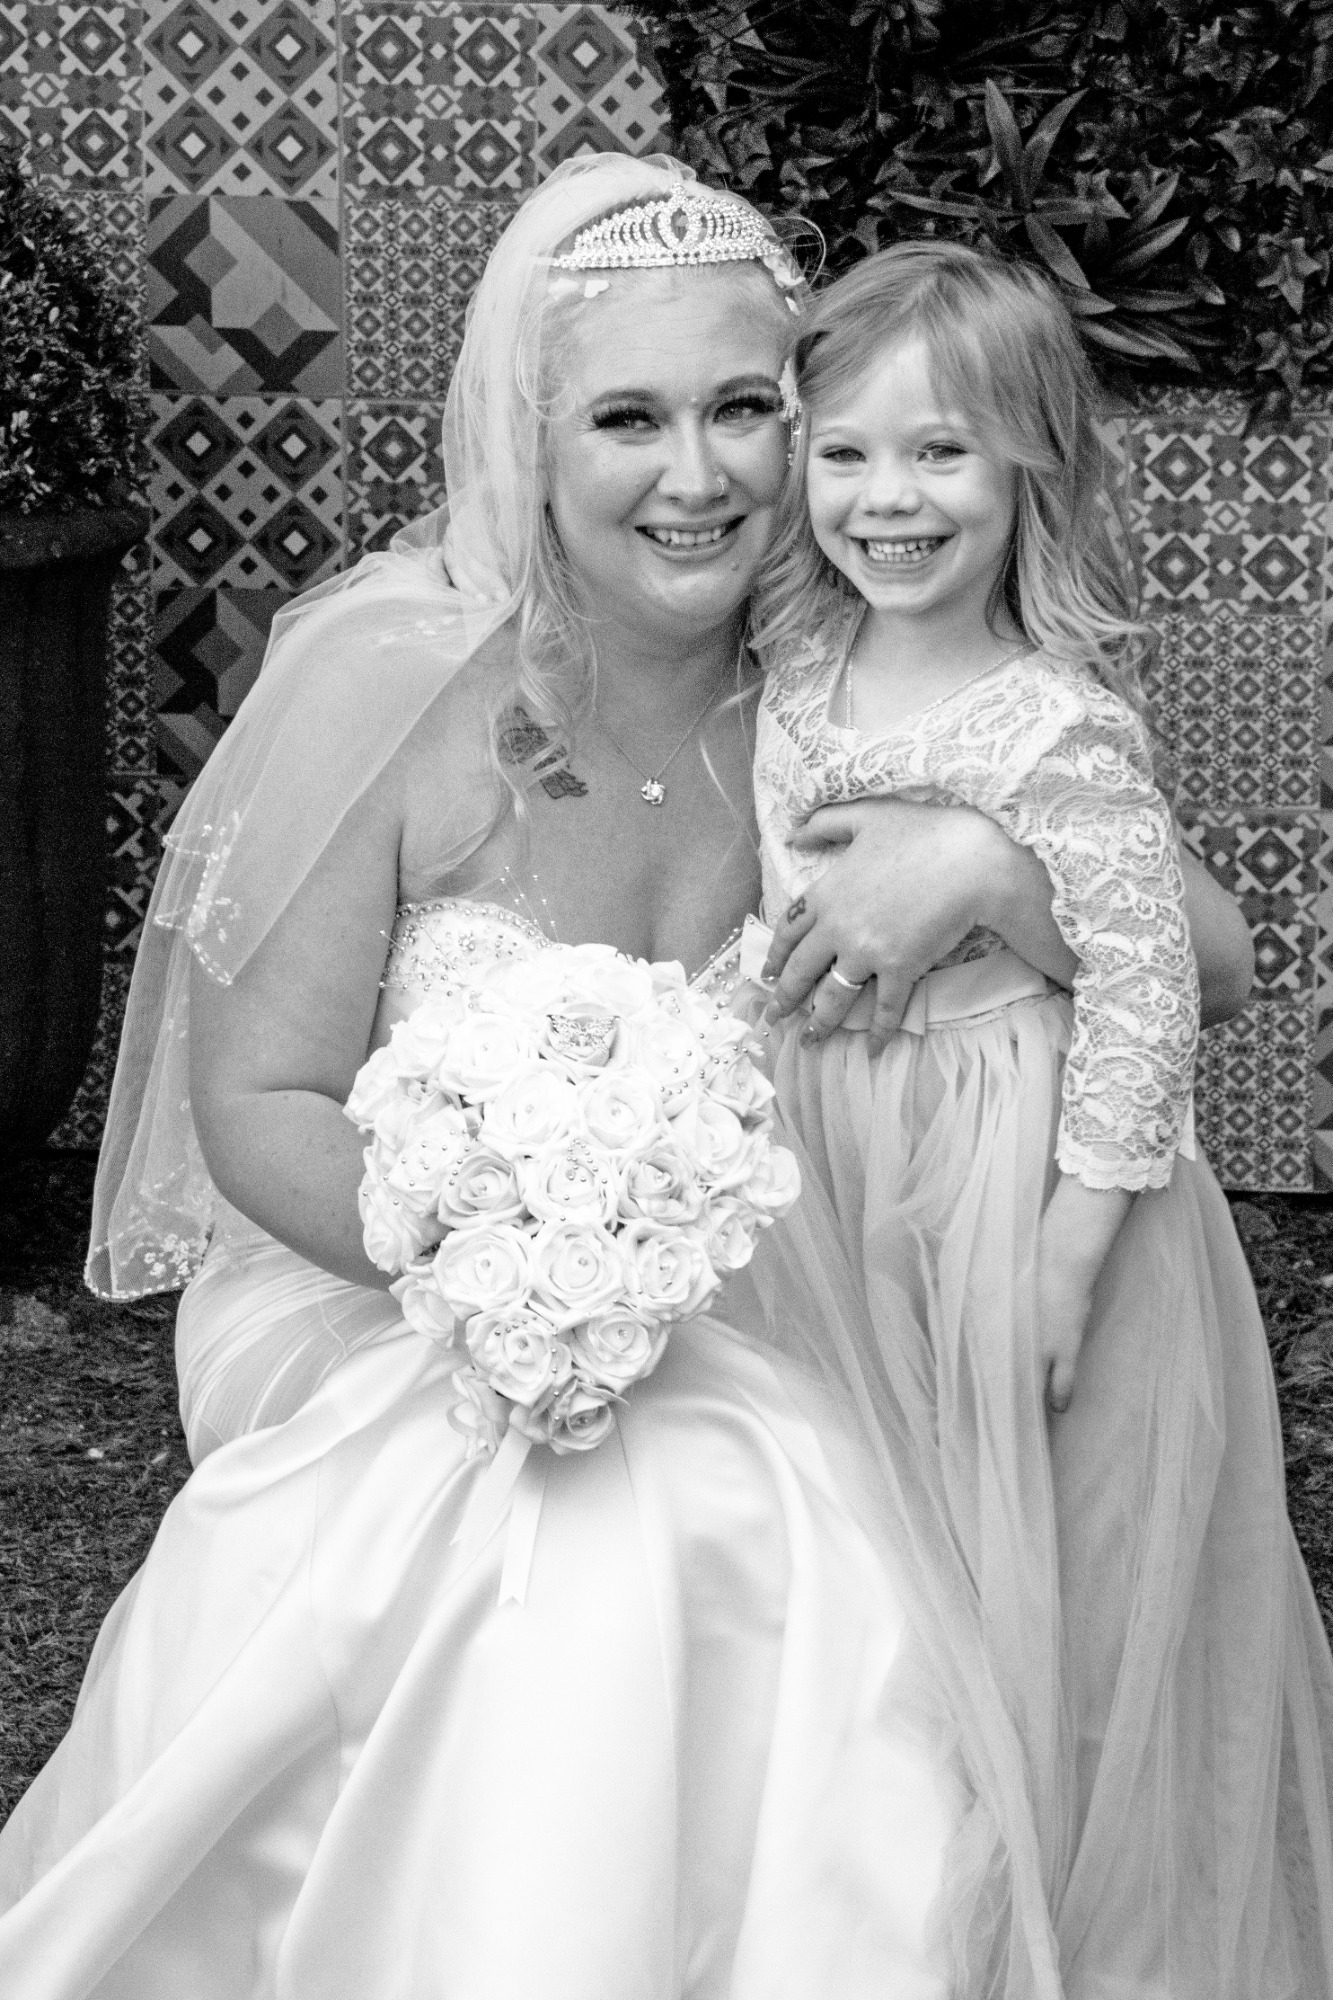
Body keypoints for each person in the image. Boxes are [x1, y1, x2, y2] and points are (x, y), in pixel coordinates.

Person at [0, 156, 1252, 1999]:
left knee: (740, 1487)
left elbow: (1201, 958)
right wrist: (506, 1269)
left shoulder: (848, 668)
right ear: (529, 438)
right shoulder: (405, 690)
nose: (698, 474)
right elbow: (257, 1103)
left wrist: (993, 873)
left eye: (745, 409)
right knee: (621, 1520)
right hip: (402, 1292)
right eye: (627, 420)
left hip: (790, 1286)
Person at [748, 240, 1333, 1996]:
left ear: (1029, 470)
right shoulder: (798, 660)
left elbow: (1151, 981)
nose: (888, 497)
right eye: (846, 451)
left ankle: (1077, 1928)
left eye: (941, 452)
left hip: (1016, 1161)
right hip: (836, 1157)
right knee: (881, 1549)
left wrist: (1070, 1252)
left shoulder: (1053, 722)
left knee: (1047, 1562)